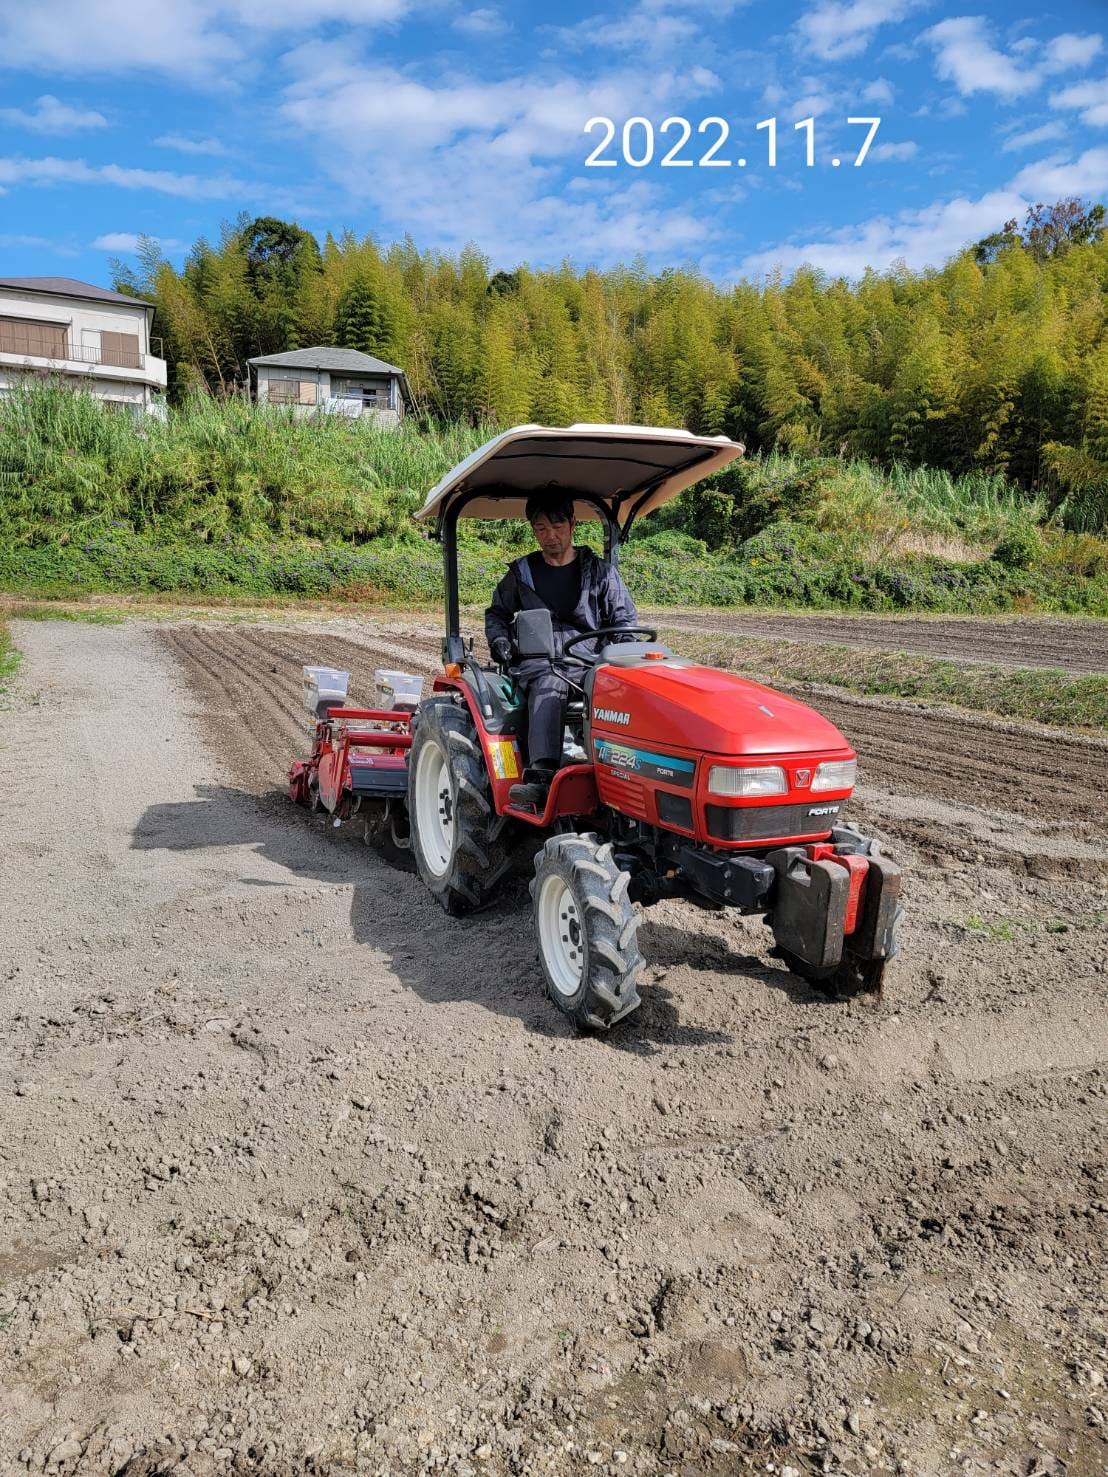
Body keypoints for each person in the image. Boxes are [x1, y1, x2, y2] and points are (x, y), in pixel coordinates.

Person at [485, 490, 638, 807]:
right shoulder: (522, 574)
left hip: (589, 662)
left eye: (557, 527)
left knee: (623, 691)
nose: (550, 536)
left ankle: (622, 772)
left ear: (572, 524)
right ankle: (541, 775)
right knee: (551, 684)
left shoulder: (600, 573)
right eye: (541, 529)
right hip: (539, 663)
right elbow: (497, 614)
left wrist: (624, 659)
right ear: (533, 531)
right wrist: (499, 640)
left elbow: (623, 621)